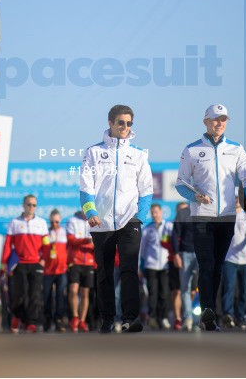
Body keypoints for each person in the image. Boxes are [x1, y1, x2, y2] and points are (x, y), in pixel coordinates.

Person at [175, 104, 246, 332]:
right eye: (215, 119)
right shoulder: (192, 150)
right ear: (205, 122)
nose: (219, 123)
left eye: (223, 120)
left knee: (217, 267)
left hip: (227, 217)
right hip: (201, 217)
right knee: (206, 264)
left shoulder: (236, 149)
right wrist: (194, 195)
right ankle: (208, 311)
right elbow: (180, 184)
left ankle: (209, 311)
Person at [79, 104, 153, 334]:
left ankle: (130, 318)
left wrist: (139, 216)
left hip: (129, 219)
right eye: (121, 122)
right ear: (110, 122)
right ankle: (107, 319)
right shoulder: (93, 152)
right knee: (104, 272)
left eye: (129, 123)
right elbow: (86, 186)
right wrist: (91, 212)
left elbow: (147, 188)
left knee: (129, 269)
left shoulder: (139, 154)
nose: (125, 127)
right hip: (101, 222)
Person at [0, 194, 48, 333]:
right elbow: (8, 243)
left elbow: (46, 244)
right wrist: (4, 262)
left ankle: (31, 323)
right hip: (19, 263)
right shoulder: (14, 222)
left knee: (34, 294)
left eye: (34, 205)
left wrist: (43, 259)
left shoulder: (42, 223)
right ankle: (17, 316)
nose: (31, 207)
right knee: (19, 294)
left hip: (36, 264)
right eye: (28, 204)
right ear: (23, 205)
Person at [220, 198, 246, 329]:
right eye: (234, 198)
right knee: (228, 288)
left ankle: (241, 317)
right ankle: (228, 315)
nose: (237, 200)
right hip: (229, 259)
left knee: (244, 290)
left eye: (239, 198)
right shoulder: (226, 215)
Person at [139, 203, 172, 329]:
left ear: (161, 212)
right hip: (150, 265)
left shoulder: (168, 227)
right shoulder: (147, 229)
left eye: (156, 212)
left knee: (164, 293)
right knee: (152, 292)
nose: (154, 215)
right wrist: (141, 266)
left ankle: (163, 317)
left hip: (165, 265)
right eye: (152, 212)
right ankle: (152, 317)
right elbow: (142, 249)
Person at [65, 210, 96, 332]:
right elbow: (70, 240)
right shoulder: (72, 221)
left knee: (85, 293)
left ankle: (82, 321)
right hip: (75, 261)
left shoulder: (95, 221)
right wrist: (86, 241)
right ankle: (74, 317)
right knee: (73, 290)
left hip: (88, 262)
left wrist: (94, 245)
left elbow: (97, 243)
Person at [170, 201, 198, 331]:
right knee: (185, 287)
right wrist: (176, 254)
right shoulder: (182, 213)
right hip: (185, 253)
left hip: (202, 253)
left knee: (203, 285)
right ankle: (188, 318)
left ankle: (204, 317)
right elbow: (175, 234)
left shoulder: (207, 211)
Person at [41, 209, 68, 332]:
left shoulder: (65, 232)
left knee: (60, 296)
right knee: (46, 296)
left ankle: (58, 320)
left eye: (56, 221)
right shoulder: (45, 233)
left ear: (60, 221)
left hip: (61, 269)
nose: (54, 224)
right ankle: (47, 319)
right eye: (52, 221)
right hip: (47, 269)